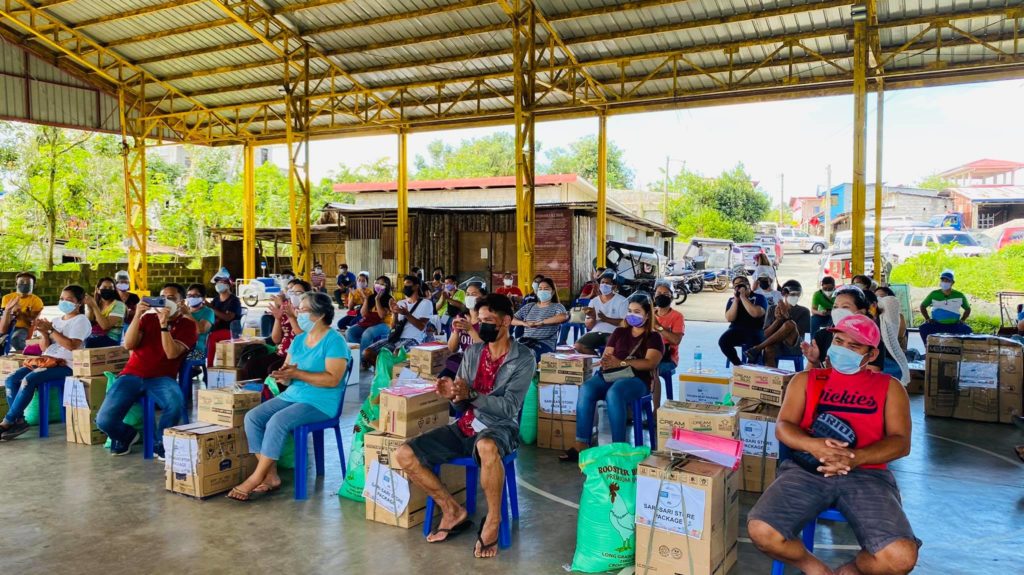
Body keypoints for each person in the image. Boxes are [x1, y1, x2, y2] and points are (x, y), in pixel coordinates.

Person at [748, 315, 919, 575]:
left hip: (867, 474)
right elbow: (784, 426)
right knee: (762, 530)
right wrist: (812, 445)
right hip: (807, 470)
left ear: (871, 355)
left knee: (901, 557)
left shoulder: (890, 388)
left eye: (854, 346)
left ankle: (850, 572)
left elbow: (901, 442)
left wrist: (856, 457)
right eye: (839, 341)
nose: (842, 349)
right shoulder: (805, 380)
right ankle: (817, 570)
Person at [395, 294, 534, 558]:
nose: (482, 326)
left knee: (486, 445)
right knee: (404, 454)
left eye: (489, 321)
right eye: (480, 321)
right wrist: (453, 395)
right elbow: (461, 404)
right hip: (467, 424)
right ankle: (452, 510)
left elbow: (509, 408)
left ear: (506, 321)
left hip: (501, 427)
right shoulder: (472, 353)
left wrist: (471, 395)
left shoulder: (523, 358)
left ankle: (493, 520)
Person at [229, 292, 350, 501]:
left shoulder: (335, 341)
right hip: (294, 394)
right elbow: (288, 369)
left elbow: (333, 380)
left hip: (320, 401)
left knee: (277, 421)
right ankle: (271, 475)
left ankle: (256, 477)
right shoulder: (300, 339)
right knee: (253, 417)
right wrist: (283, 376)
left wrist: (297, 374)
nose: (297, 313)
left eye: (302, 310)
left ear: (319, 315)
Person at [96, 283, 198, 457]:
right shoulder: (147, 319)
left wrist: (164, 326)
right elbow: (129, 344)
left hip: (162, 377)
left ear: (182, 302)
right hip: (131, 374)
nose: (166, 301)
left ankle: (161, 442)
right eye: (163, 297)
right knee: (103, 420)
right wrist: (137, 315)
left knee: (175, 404)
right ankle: (126, 435)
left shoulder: (188, 326)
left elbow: (171, 353)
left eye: (172, 298)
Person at [563, 293, 664, 462]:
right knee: (587, 388)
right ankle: (581, 443)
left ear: (647, 314)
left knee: (615, 393)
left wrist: (622, 363)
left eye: (637, 312)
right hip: (612, 374)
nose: (632, 315)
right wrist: (607, 362)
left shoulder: (654, 337)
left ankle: (619, 448)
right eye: (630, 311)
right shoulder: (619, 332)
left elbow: (649, 363)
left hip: (638, 380)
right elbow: (608, 356)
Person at [0, 285, 91, 440]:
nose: (64, 302)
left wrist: (50, 331)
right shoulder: (56, 320)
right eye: (62, 299)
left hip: (66, 364)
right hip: (47, 360)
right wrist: (43, 332)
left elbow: (72, 346)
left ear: (79, 302)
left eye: (69, 299)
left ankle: (7, 421)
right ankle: (19, 420)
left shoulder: (81, 321)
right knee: (11, 379)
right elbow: (46, 348)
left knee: (29, 379)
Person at [802, 285, 887, 373]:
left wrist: (831, 371)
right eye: (835, 307)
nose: (838, 311)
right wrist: (814, 362)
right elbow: (808, 377)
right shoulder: (822, 335)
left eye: (845, 307)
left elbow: (871, 380)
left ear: (861, 312)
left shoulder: (871, 341)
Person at [242, 279, 310, 382]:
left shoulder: (307, 311)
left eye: (299, 293)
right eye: (292, 292)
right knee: (252, 365)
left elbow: (301, 335)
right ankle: (256, 393)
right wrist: (278, 318)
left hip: (297, 355)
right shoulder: (286, 308)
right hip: (281, 352)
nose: (294, 295)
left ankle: (271, 394)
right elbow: (276, 339)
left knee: (273, 370)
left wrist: (291, 317)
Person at [364, 275, 435, 366]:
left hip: (414, 339)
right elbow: (393, 327)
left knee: (397, 353)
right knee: (368, 352)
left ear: (416, 286)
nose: (405, 287)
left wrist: (407, 314)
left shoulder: (426, 303)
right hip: (396, 338)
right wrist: (395, 314)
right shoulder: (400, 303)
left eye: (408, 284)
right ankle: (385, 374)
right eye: (404, 284)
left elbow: (421, 326)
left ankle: (390, 374)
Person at [748, 280, 810, 368]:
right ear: (784, 294)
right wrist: (778, 320)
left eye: (797, 294)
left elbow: (799, 331)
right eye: (792, 294)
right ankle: (773, 379)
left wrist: (787, 317)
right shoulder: (772, 309)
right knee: (768, 348)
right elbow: (766, 334)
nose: (795, 297)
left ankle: (757, 348)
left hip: (794, 346)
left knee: (790, 324)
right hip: (776, 345)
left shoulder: (804, 311)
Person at [511, 277, 568, 360]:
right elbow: (511, 319)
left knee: (527, 356)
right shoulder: (529, 306)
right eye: (540, 289)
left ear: (552, 292)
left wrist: (542, 322)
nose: (542, 291)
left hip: (545, 344)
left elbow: (563, 317)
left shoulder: (557, 307)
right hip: (525, 341)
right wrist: (524, 323)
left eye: (546, 289)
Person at [718, 275, 767, 366]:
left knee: (753, 344)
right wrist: (737, 300)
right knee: (723, 341)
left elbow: (756, 313)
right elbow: (729, 318)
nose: (738, 286)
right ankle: (738, 365)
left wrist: (744, 297)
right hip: (736, 329)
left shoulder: (759, 297)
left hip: (755, 329)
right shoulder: (732, 300)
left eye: (741, 284)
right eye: (735, 285)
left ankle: (752, 367)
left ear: (747, 285)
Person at [574, 273, 628, 355]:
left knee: (610, 349)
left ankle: (605, 363)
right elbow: (589, 326)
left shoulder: (622, 301)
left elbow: (625, 323)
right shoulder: (594, 301)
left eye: (607, 283)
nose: (604, 285)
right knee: (578, 346)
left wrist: (606, 319)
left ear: (614, 286)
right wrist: (592, 317)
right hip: (596, 331)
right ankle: (597, 360)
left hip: (613, 332)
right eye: (602, 283)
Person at [441, 283, 485, 378]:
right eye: (467, 294)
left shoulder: (486, 320)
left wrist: (470, 329)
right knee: (442, 379)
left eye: (473, 294)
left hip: (480, 364)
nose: (469, 297)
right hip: (464, 361)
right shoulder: (461, 317)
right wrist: (456, 331)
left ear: (483, 297)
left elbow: (485, 349)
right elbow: (452, 348)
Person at [918, 270, 972, 346]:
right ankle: (928, 349)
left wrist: (963, 320)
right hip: (937, 324)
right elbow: (922, 306)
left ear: (952, 283)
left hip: (954, 325)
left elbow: (967, 309)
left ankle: (961, 352)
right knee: (923, 328)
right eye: (943, 280)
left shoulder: (959, 295)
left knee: (968, 330)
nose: (945, 282)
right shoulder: (934, 294)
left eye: (947, 280)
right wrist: (927, 319)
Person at [652, 281, 684, 408]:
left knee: (651, 370)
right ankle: (633, 409)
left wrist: (659, 328)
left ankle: (656, 411)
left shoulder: (677, 317)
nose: (662, 296)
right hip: (648, 353)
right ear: (654, 296)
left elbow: (676, 340)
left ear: (671, 296)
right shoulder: (649, 313)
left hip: (667, 358)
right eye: (659, 293)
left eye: (666, 293)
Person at [346, 276, 395, 356]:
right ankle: (357, 355)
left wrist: (377, 300)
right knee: (349, 332)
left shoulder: (389, 299)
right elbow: (363, 314)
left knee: (367, 333)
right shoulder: (371, 297)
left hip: (384, 325)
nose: (379, 285)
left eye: (382, 284)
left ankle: (363, 359)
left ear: (387, 287)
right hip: (370, 322)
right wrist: (366, 299)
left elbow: (382, 315)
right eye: (378, 283)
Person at [0, 272, 44, 352]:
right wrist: (11, 312)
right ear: (16, 283)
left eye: (28, 283)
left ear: (33, 285)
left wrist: (20, 313)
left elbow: (31, 322)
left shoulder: (36, 301)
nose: (24, 284)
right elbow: (4, 317)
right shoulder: (7, 298)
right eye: (22, 282)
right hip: (7, 326)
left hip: (24, 328)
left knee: (16, 339)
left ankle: (28, 354)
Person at [206, 274, 242, 367]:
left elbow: (228, 317)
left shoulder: (234, 301)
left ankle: (209, 366)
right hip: (217, 329)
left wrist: (211, 307)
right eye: (217, 282)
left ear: (228, 285)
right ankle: (198, 362)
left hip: (231, 331)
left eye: (222, 282)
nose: (219, 284)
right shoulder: (216, 299)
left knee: (212, 337)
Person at [875, 286, 909, 381]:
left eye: (882, 296)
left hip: (889, 357)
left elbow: (898, 337)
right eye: (876, 296)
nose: (879, 299)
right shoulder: (874, 316)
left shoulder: (898, 317)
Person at [83, 277, 126, 348]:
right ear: (98, 290)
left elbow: (105, 326)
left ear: (114, 290)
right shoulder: (97, 303)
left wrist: (94, 307)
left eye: (110, 288)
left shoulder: (119, 305)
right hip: (95, 336)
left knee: (90, 342)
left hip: (112, 339)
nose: (107, 290)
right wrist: (90, 309)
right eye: (104, 287)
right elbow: (89, 324)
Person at [182, 283, 215, 363]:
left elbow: (201, 329)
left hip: (198, 351)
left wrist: (188, 314)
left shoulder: (208, 312)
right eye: (189, 295)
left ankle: (188, 373)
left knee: (178, 358)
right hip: (181, 347)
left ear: (203, 298)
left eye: (195, 295)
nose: (191, 298)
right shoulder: (182, 311)